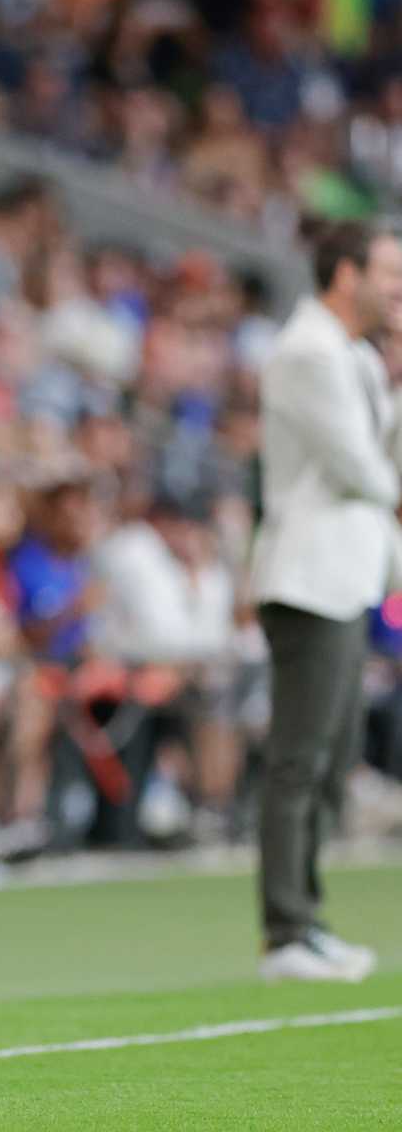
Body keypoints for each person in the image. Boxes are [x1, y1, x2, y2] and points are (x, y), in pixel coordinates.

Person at [246, 222, 398, 983]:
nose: (398, 290)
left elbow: (383, 464)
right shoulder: (308, 352)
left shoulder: (355, 358)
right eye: (389, 274)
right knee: (299, 760)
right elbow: (362, 471)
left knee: (331, 759)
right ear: (345, 275)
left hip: (346, 577)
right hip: (307, 579)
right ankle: (285, 931)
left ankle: (307, 916)